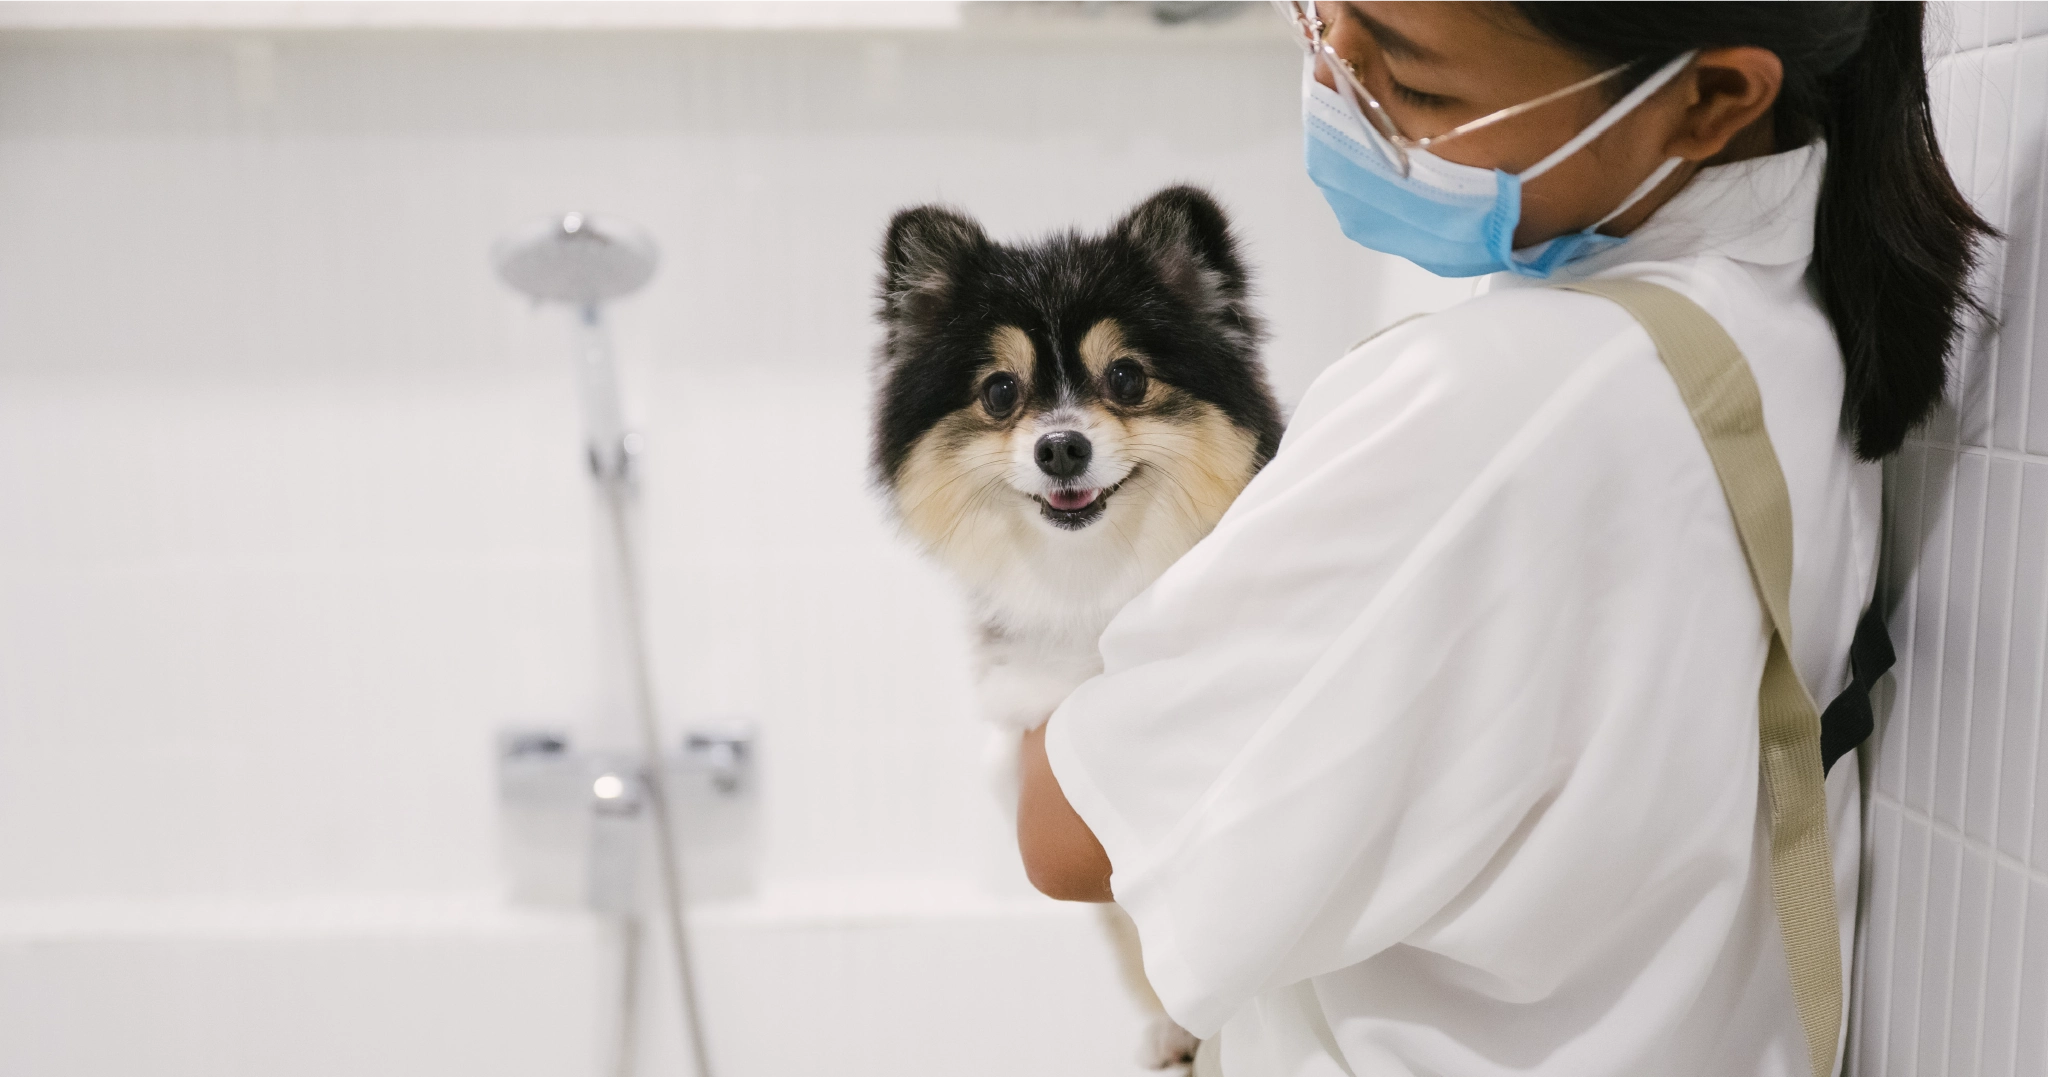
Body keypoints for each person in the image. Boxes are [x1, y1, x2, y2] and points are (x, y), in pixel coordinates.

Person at [1014, 1, 1991, 1075]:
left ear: (1708, 102)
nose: (1340, 79)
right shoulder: (1778, 315)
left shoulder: (1498, 406)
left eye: (1418, 82)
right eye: (1328, 15)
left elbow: (1070, 834)